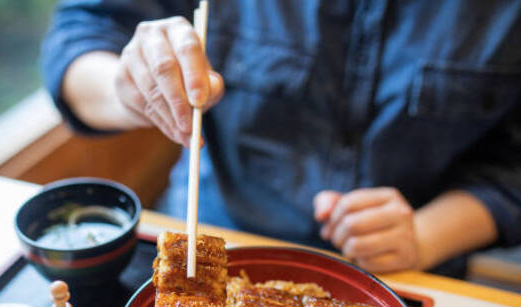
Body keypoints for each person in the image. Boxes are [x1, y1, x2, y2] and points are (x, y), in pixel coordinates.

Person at [40, 0, 521, 275]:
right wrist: (129, 88)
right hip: (211, 238)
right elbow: (82, 33)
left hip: (408, 273)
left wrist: (426, 233)